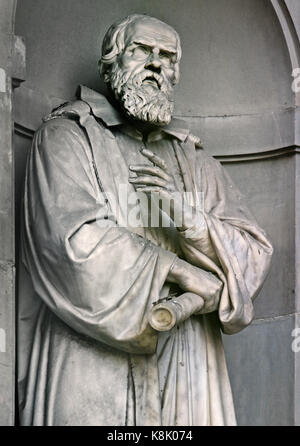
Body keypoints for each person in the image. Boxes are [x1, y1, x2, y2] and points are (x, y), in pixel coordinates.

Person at [18, 14, 273, 426]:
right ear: (111, 62)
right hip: (92, 358)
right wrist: (186, 275)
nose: (156, 64)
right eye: (142, 51)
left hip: (187, 364)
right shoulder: (68, 137)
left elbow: (254, 255)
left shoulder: (195, 160)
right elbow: (73, 242)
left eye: (167, 56)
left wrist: (189, 218)